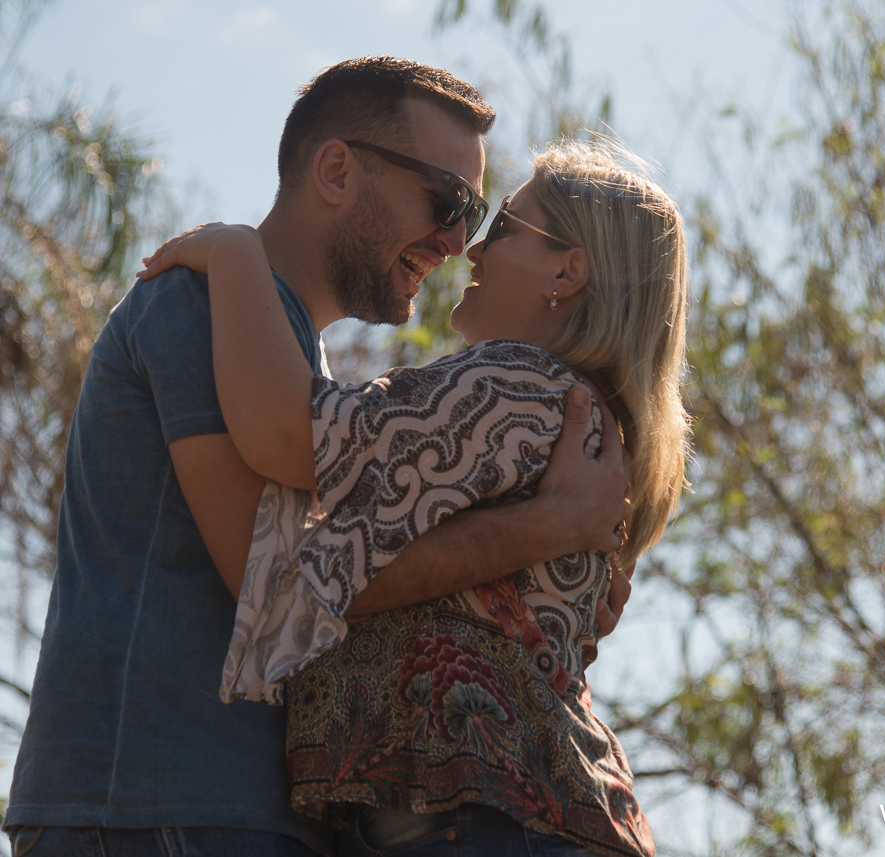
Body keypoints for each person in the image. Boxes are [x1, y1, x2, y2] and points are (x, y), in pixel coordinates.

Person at [4, 58, 631, 857]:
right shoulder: (201, 302)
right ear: (336, 171)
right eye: (448, 202)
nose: (456, 242)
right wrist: (546, 528)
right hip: (154, 804)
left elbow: (348, 575)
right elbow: (276, 582)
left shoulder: (297, 370)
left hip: (231, 812)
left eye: (475, 217)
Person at [136, 137, 690, 857]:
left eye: (504, 226)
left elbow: (286, 431)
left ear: (568, 269)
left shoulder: (512, 387)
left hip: (478, 826)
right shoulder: (595, 429)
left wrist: (235, 250)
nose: (473, 249)